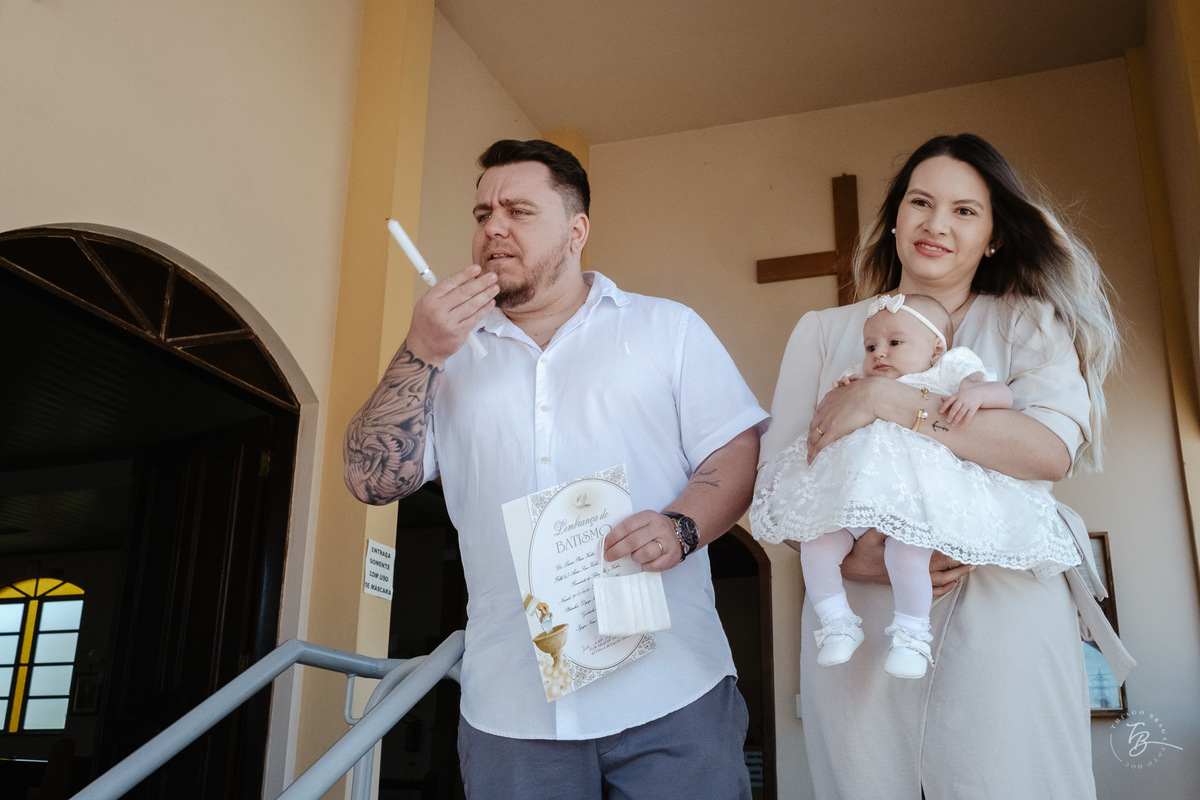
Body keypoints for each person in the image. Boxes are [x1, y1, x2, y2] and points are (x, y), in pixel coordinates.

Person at [344, 139, 767, 799]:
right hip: (511, 704)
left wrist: (682, 526)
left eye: (518, 210)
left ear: (577, 231)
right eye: (482, 213)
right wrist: (420, 350)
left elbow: (735, 451)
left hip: (670, 684)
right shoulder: (443, 361)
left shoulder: (665, 329)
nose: (493, 228)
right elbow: (372, 479)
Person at [756, 133, 1133, 799]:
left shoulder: (1028, 323)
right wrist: (858, 563)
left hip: (1001, 604)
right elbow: (780, 489)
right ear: (896, 219)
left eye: (965, 210)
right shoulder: (822, 332)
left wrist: (888, 398)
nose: (936, 223)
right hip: (863, 615)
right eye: (921, 202)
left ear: (992, 235)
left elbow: (1046, 451)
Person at [751, 292, 1080, 680]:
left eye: (894, 343)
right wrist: (848, 387)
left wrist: (976, 394)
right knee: (817, 546)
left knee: (907, 555)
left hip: (917, 496)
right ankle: (837, 622)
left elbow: (1002, 394)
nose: (879, 354)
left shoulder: (948, 370)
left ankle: (911, 636)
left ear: (936, 348)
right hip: (858, 496)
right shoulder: (861, 375)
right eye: (871, 346)